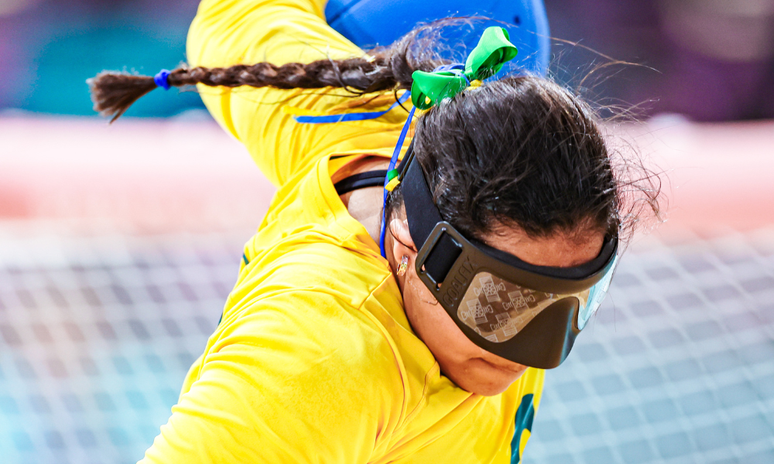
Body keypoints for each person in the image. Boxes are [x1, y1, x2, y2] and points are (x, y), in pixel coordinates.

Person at [88, 0, 660, 462]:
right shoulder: (314, 364)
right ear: (414, 246)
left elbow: (233, 18)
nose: (542, 357)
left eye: (579, 299)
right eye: (503, 300)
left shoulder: (375, 116)